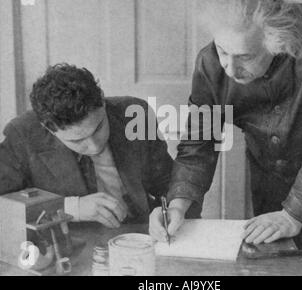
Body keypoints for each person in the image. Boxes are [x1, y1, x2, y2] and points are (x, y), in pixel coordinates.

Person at [149, 0, 302, 275]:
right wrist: (178, 204)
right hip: (269, 184)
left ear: (278, 44)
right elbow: (199, 143)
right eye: (222, 51)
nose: (230, 69)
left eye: (245, 56)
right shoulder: (210, 64)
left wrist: (294, 213)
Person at [0, 63, 173, 227]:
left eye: (98, 128)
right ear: (48, 128)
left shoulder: (135, 113)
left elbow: (168, 182)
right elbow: (5, 205)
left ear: (103, 102)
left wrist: (170, 211)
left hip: (139, 230)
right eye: (77, 141)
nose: (94, 146)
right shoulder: (22, 134)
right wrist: (71, 208)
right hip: (69, 241)